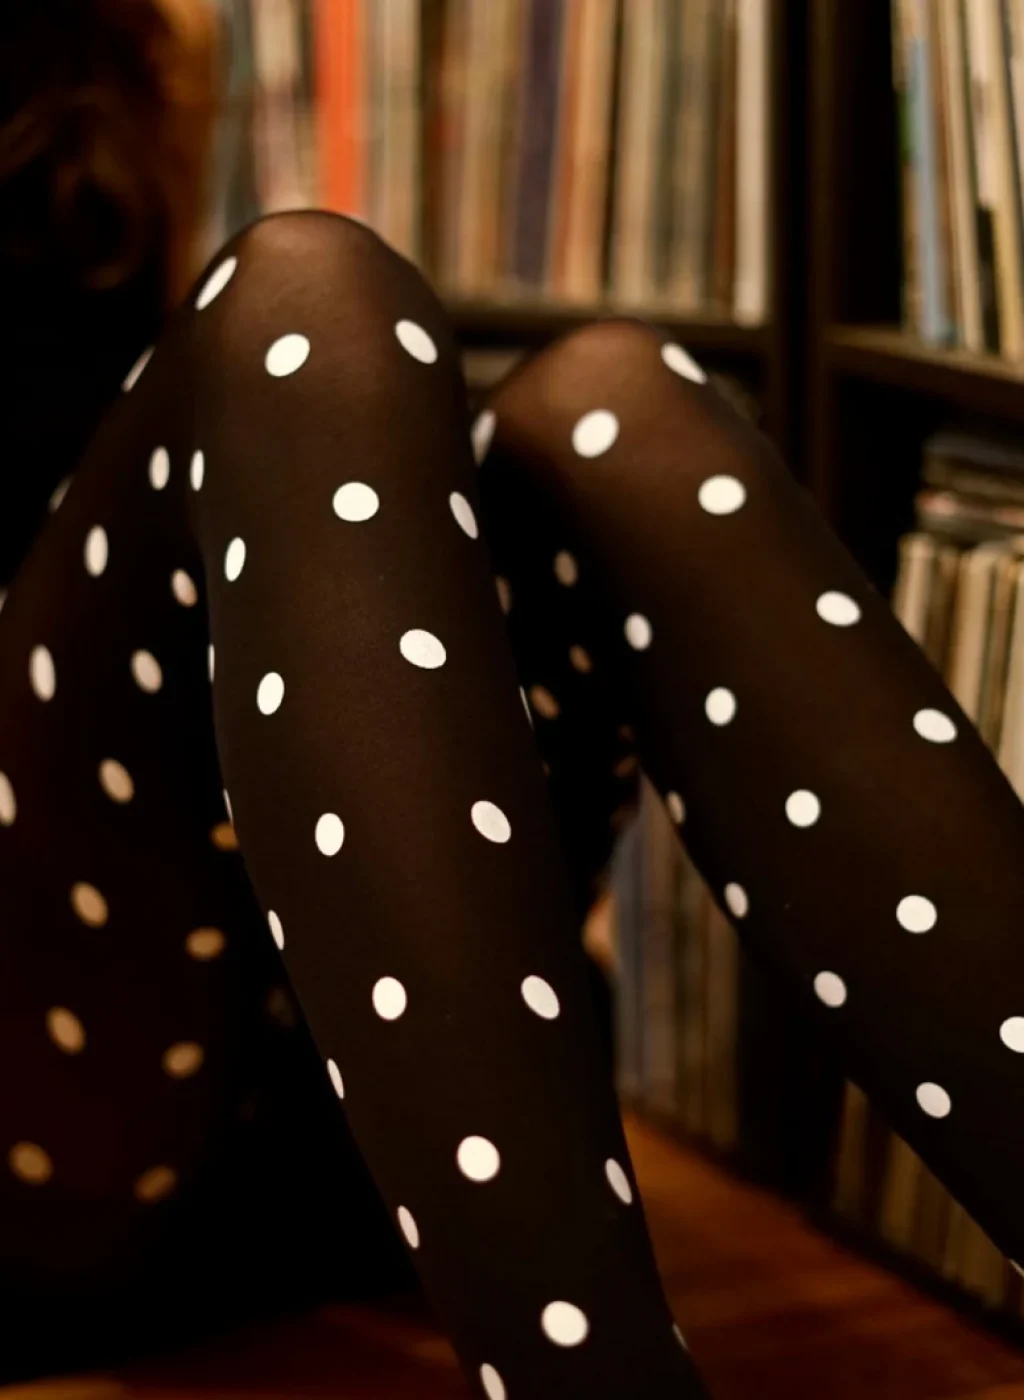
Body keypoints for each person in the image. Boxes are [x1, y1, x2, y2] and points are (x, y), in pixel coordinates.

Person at [6, 7, 1024, 1400]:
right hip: (52, 1120)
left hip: (360, 1110)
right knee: (301, 296)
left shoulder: (117, 51)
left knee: (606, 403)